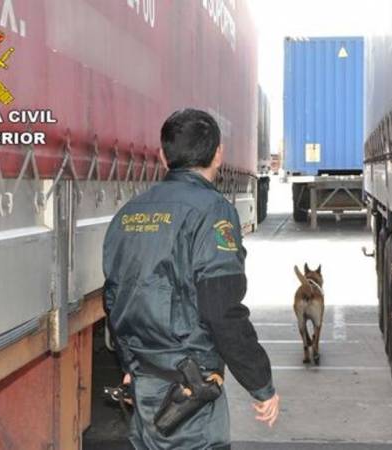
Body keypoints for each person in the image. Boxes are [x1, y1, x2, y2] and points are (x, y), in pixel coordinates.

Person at [102, 109, 280, 449]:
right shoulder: (212, 211)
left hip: (145, 386)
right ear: (218, 154)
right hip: (190, 398)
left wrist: (130, 364)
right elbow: (221, 307)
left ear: (162, 155)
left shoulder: (129, 213)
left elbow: (114, 296)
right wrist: (260, 383)